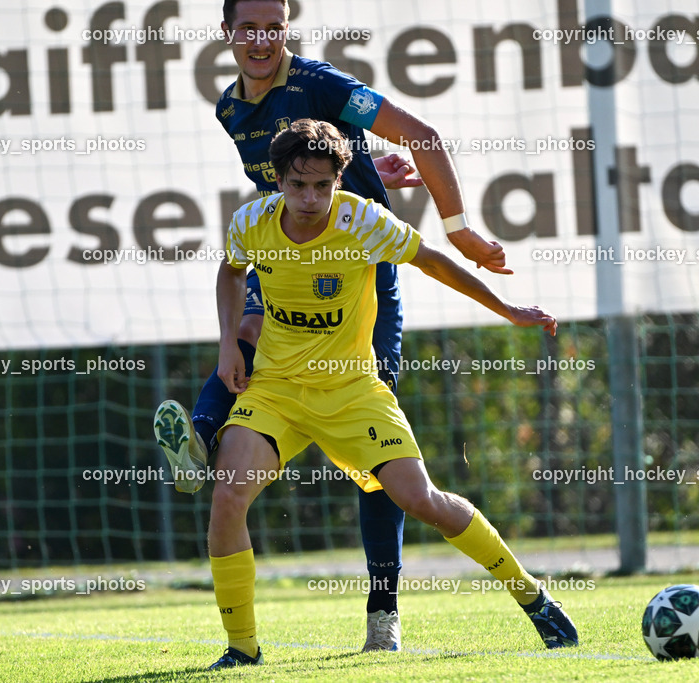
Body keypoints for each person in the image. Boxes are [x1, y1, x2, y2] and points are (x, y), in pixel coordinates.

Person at [154, 0, 511, 653]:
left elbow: (421, 135)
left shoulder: (323, 84)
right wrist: (367, 164)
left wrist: (459, 229)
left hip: (359, 274)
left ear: (286, 28)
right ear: (227, 32)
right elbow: (302, 170)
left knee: (380, 464)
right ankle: (200, 444)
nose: (262, 38)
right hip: (283, 254)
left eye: (274, 24)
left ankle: (383, 611)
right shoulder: (229, 109)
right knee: (245, 336)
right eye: (248, 26)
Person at [202, 119, 577, 669]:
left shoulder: (363, 221)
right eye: (298, 184)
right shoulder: (251, 222)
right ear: (278, 180)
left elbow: (432, 261)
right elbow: (231, 272)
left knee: (420, 501)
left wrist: (508, 310)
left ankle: (531, 595)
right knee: (228, 496)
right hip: (277, 389)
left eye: (323, 185)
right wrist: (228, 347)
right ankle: (241, 648)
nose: (310, 198)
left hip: (354, 391)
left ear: (339, 181)